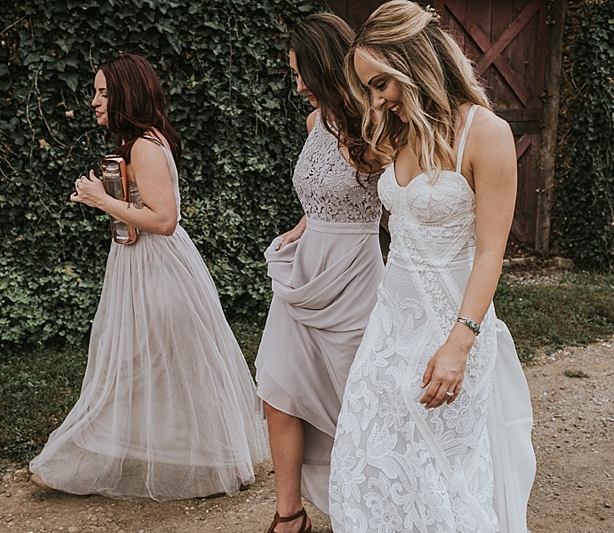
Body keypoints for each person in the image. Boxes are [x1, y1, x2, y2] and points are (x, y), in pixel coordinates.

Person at [328, 2, 536, 532]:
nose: (377, 99)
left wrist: (458, 344)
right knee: (367, 454)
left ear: (413, 62)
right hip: (390, 326)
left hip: (451, 327)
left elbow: (491, 251)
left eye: (381, 84)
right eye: (370, 88)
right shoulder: (400, 132)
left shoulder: (486, 134)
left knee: (441, 474)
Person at [29, 53, 268, 500]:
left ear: (125, 94)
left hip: (159, 268)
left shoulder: (143, 145)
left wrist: (100, 199)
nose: (94, 102)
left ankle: (85, 459)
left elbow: (164, 219)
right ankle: (192, 459)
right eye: (95, 92)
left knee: (138, 363)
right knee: (147, 363)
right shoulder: (140, 142)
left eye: (103, 92)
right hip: (140, 263)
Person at [254, 14, 386, 533]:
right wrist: (302, 225)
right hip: (303, 274)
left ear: (329, 65)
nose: (300, 85)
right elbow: (319, 188)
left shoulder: (378, 128)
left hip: (355, 278)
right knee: (277, 391)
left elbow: (397, 200)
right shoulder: (316, 124)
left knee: (358, 401)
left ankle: (372, 507)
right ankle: (290, 517)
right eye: (293, 74)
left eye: (303, 71)